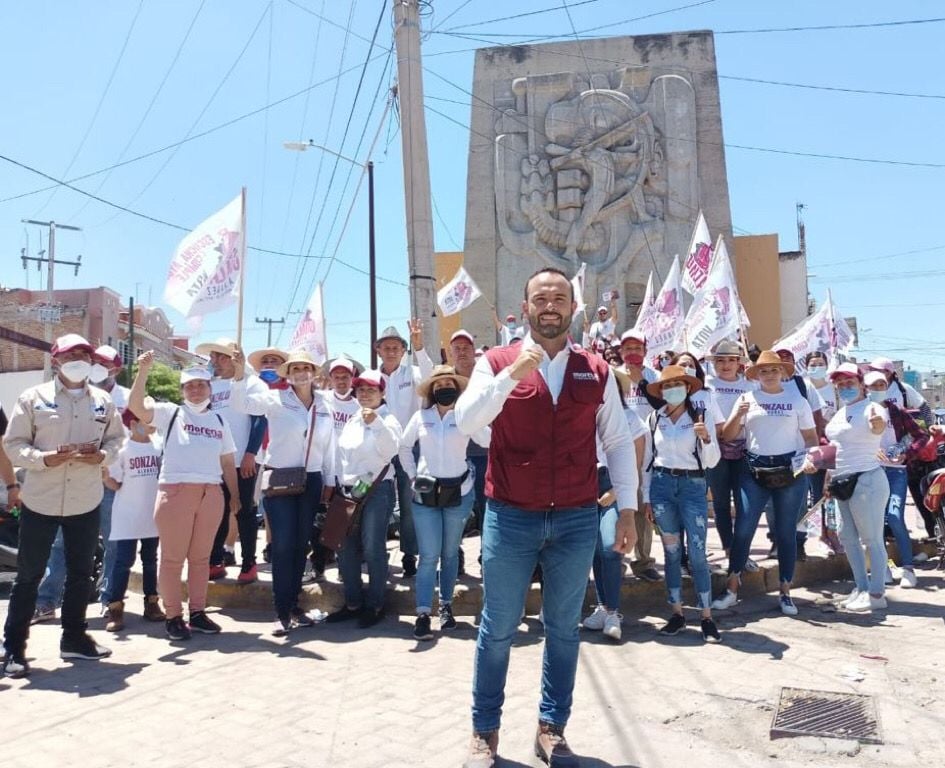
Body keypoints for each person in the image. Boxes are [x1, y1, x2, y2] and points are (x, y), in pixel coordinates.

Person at [455, 267, 638, 768]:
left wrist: (627, 509)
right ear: (527, 305)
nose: (551, 305)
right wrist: (512, 376)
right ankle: (484, 733)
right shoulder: (497, 361)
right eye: (541, 298)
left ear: (574, 307)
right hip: (511, 517)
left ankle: (551, 730)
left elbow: (618, 442)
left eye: (560, 297)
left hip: (577, 518)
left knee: (564, 629)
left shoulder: (595, 369)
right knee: (498, 628)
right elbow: (467, 422)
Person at [2, 333, 125, 677]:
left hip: (85, 500)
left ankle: (74, 638)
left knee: (81, 573)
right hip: (40, 500)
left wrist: (104, 455)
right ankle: (13, 646)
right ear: (56, 360)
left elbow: (117, 439)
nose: (79, 358)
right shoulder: (32, 397)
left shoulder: (103, 401)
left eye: (85, 353)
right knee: (28, 576)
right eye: (71, 353)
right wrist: (42, 459)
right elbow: (13, 445)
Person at [128, 353, 240, 641]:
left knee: (201, 559)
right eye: (190, 386)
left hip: (211, 493)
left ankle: (199, 613)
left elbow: (228, 462)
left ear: (210, 389)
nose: (196, 390)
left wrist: (236, 498)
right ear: (182, 390)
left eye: (201, 385)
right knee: (173, 559)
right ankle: (173, 616)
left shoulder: (219, 420)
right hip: (176, 491)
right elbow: (137, 406)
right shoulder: (170, 413)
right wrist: (143, 371)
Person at [229, 348, 335, 636]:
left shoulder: (325, 403)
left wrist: (330, 479)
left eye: (306, 367)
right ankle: (281, 609)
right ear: (288, 373)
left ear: (314, 372)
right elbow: (243, 405)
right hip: (280, 479)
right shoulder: (275, 399)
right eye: (296, 368)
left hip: (312, 479)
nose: (301, 372)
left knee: (301, 545)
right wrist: (239, 376)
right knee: (283, 545)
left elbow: (330, 445)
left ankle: (294, 605)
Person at [712, 350, 817, 616]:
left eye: (773, 370)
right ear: (756, 375)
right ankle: (732, 588)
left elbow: (810, 438)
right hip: (753, 469)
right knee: (744, 528)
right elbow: (728, 435)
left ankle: (785, 591)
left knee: (785, 532)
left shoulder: (797, 401)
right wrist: (738, 415)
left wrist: (810, 460)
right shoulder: (746, 398)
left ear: (782, 372)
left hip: (790, 471)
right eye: (763, 371)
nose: (768, 374)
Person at [402, 365, 490, 641]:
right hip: (426, 494)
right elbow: (404, 447)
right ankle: (423, 613)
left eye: (449, 384)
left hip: (458, 492)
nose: (444, 389)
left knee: (451, 553)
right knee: (428, 555)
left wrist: (477, 414)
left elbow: (488, 440)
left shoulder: (463, 417)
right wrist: (413, 475)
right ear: (432, 390)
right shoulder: (421, 416)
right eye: (438, 386)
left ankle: (447, 607)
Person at [641, 365, 722, 641]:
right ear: (660, 391)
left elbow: (712, 461)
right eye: (666, 385)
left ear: (688, 388)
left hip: (693, 485)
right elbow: (648, 462)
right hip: (662, 488)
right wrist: (646, 497)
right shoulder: (654, 418)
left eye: (677, 384)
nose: (671, 389)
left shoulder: (701, 416)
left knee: (698, 553)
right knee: (671, 552)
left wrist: (706, 439)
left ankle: (707, 616)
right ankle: (676, 613)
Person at [806, 364, 889, 612]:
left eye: (850, 382)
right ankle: (861, 588)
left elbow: (878, 426)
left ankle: (876, 594)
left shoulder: (873, 408)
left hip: (867, 480)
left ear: (861, 384)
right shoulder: (842, 412)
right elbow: (837, 450)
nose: (845, 387)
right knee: (848, 538)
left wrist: (877, 425)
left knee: (872, 539)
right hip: (842, 482)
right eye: (840, 384)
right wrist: (824, 474)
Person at [327, 371, 402, 629]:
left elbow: (391, 450)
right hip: (351, 490)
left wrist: (377, 424)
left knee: (373, 547)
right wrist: (337, 485)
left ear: (382, 393)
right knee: (346, 549)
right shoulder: (352, 419)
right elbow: (342, 456)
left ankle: (375, 604)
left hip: (377, 490)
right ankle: (353, 603)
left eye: (371, 389)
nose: (365, 394)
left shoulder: (389, 419)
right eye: (360, 390)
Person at [195, 338, 268, 584]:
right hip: (215, 461)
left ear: (235, 358)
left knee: (245, 511)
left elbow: (260, 420)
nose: (214, 360)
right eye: (213, 356)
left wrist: (250, 453)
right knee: (217, 510)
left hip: (243, 459)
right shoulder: (209, 386)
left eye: (220, 356)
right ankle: (216, 560)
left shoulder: (252, 383)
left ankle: (249, 562)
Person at [582, 367, 647, 642]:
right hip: (584, 485)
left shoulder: (631, 419)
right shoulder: (585, 415)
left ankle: (614, 612)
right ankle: (602, 607)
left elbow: (635, 462)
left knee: (610, 546)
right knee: (594, 550)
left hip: (614, 486)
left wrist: (617, 492)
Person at [373, 322, 434, 578]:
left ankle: (409, 555)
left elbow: (432, 376)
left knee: (410, 507)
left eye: (396, 347)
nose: (390, 352)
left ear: (403, 350)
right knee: (379, 506)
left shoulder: (414, 373)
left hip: (409, 451)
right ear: (378, 351)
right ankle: (376, 554)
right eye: (386, 347)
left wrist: (420, 346)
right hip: (379, 452)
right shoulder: (372, 378)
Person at [865, 370, 932, 589]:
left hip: (896, 472)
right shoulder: (860, 412)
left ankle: (909, 568)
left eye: (881, 385)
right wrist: (869, 452)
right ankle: (882, 567)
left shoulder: (897, 411)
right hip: (871, 472)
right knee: (875, 522)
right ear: (865, 388)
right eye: (872, 386)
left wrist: (907, 453)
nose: (877, 390)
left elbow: (921, 435)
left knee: (894, 517)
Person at [101, 409, 165, 631]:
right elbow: (116, 484)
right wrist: (106, 477)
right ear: (135, 422)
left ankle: (152, 602)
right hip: (128, 514)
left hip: (152, 514)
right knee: (123, 561)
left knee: (150, 559)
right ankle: (115, 606)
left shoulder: (158, 446)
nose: (152, 423)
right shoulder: (122, 449)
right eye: (147, 419)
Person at [613, 328, 663, 582]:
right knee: (620, 504)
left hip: (650, 453)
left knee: (644, 506)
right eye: (628, 348)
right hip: (619, 449)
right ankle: (616, 560)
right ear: (621, 351)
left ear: (645, 351)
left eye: (637, 348)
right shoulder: (613, 375)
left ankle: (643, 562)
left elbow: (665, 406)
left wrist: (642, 381)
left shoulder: (656, 377)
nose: (633, 352)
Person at [704, 341, 755, 563]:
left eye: (731, 360)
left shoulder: (750, 386)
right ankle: (728, 547)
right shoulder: (706, 386)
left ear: (739, 363)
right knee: (721, 502)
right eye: (721, 360)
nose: (726, 365)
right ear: (714, 363)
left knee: (745, 503)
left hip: (744, 450)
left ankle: (742, 549)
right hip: (715, 450)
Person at [247, 347, 289, 566]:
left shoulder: (289, 390)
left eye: (275, 361)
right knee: (251, 504)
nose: (270, 364)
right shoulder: (252, 390)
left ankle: (272, 544)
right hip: (254, 454)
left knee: (273, 504)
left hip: (279, 456)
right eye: (266, 361)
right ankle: (244, 551)